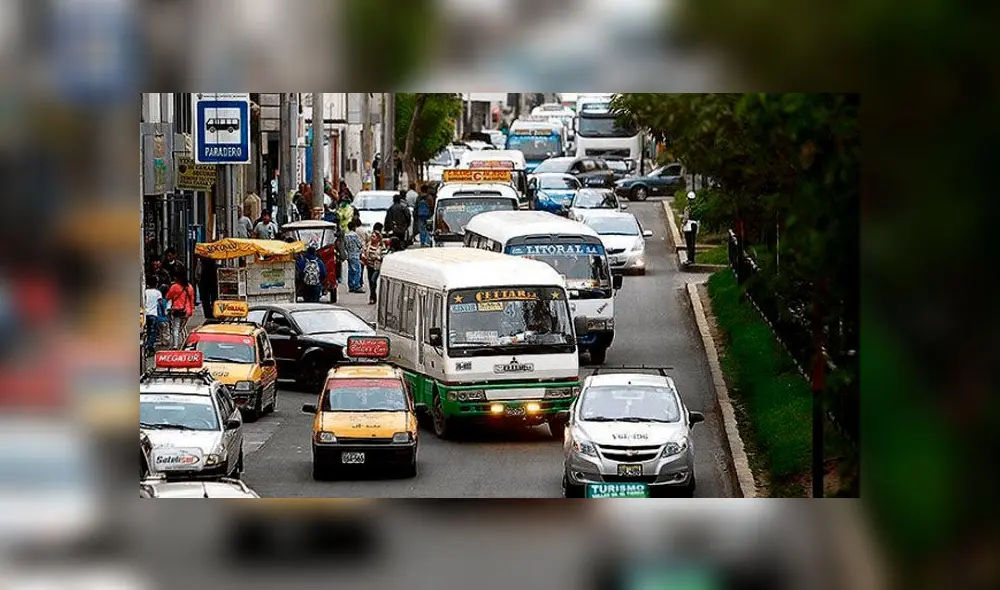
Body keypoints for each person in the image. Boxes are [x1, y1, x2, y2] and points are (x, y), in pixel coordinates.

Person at [165, 272, 195, 349]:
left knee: (176, 327)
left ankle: (175, 345)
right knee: (183, 327)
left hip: (177, 310)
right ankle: (185, 342)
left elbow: (168, 296)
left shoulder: (174, 287)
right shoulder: (190, 287)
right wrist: (192, 309)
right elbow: (192, 299)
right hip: (187, 311)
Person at [361, 223, 386, 304]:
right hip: (369, 266)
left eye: (374, 236)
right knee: (370, 281)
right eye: (371, 236)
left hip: (376, 266)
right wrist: (364, 256)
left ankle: (373, 296)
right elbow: (364, 251)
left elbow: (384, 256)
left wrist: (378, 257)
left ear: (378, 238)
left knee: (373, 280)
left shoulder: (381, 246)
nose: (372, 238)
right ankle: (372, 296)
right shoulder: (368, 245)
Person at [142, 276, 163, 356]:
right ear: (156, 283)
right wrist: (163, 313)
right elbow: (160, 303)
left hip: (145, 314)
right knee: (153, 332)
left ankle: (146, 344)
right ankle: (149, 345)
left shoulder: (145, 292)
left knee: (146, 331)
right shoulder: (158, 293)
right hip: (153, 314)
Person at [344, 220, 364, 293]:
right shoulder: (355, 235)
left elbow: (345, 245)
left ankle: (351, 285)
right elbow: (360, 245)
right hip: (355, 255)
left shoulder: (346, 236)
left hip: (349, 255)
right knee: (357, 271)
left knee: (350, 270)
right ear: (354, 227)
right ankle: (357, 286)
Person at [681, 190, 698, 265]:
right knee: (693, 242)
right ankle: (692, 258)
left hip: (688, 226)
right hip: (695, 225)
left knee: (689, 243)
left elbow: (686, 218)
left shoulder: (687, 208)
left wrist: (682, 225)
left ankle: (689, 259)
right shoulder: (696, 207)